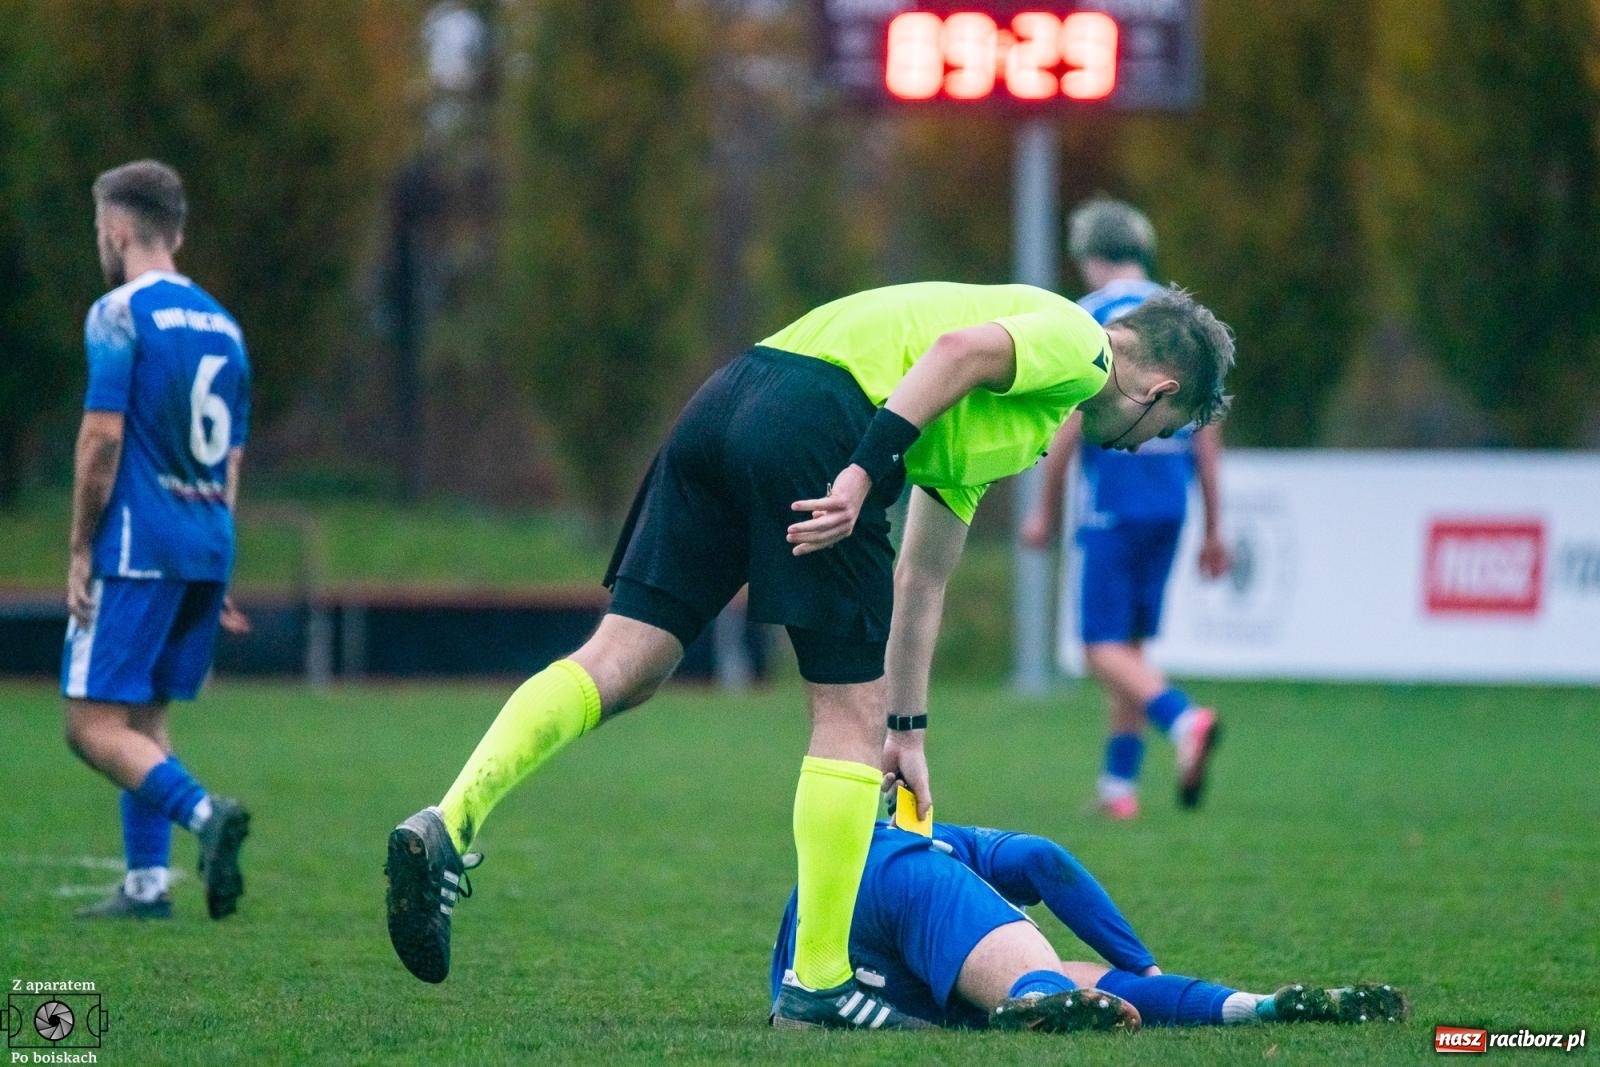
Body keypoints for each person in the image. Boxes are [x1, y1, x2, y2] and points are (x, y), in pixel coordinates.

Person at [385, 279, 1235, 1029]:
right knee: (842, 717)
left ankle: (450, 820)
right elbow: (956, 352)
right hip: (826, 423)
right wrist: (864, 472)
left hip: (731, 397)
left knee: (625, 661)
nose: (1148, 442)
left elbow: (923, 577)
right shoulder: (1080, 345)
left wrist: (908, 731)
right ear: (1159, 389)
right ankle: (819, 982)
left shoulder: (1021, 422)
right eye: (1168, 426)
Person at [64, 160, 253, 921]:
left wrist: (81, 544)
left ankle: (206, 815)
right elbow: (231, 458)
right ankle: (147, 886)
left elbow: (101, 442)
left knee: (90, 726)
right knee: (146, 721)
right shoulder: (225, 326)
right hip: (206, 544)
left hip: (139, 546)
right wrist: (220, 555)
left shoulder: (118, 312)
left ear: (116, 228)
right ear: (176, 231)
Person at [769, 815, 1410, 1032]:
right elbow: (1043, 861)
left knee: (1067, 981)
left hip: (824, 953)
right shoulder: (937, 847)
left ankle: (1255, 1009)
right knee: (1040, 980)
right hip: (903, 875)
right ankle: (1043, 1004)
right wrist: (1143, 962)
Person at [1022, 199, 1230, 820]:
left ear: (1089, 256)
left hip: (1113, 492)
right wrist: (1215, 525)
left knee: (1098, 648)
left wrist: (1043, 507)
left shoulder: (1093, 318)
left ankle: (1184, 719)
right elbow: (1209, 426)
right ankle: (1120, 788)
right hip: (1170, 496)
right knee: (1131, 648)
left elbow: (1071, 416)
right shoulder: (1185, 318)